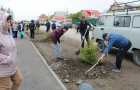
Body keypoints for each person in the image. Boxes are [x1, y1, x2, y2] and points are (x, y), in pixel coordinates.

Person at [0, 10, 22, 90]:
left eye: (9, 22)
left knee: (18, 80)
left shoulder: (5, 33)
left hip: (12, 66)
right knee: (5, 88)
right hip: (3, 69)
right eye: (7, 22)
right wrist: (8, 59)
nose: (9, 24)